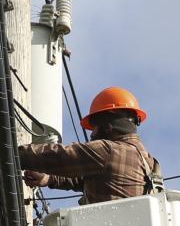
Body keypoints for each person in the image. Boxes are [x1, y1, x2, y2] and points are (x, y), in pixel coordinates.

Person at [17, 87, 161, 204]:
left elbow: (60, 156)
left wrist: (13, 153)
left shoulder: (109, 151)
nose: (92, 135)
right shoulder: (147, 161)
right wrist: (49, 178)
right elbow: (90, 179)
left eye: (95, 127)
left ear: (108, 125)